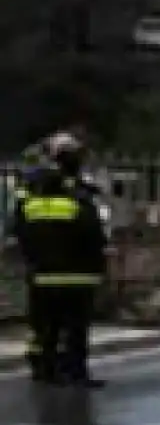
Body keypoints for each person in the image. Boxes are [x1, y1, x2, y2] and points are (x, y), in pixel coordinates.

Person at [8, 135, 108, 387]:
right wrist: (98, 264)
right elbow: (94, 236)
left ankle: (44, 369)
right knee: (75, 329)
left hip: (42, 275)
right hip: (78, 276)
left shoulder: (30, 205)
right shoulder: (79, 202)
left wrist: (32, 259)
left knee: (44, 327)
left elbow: (20, 233)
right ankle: (74, 371)